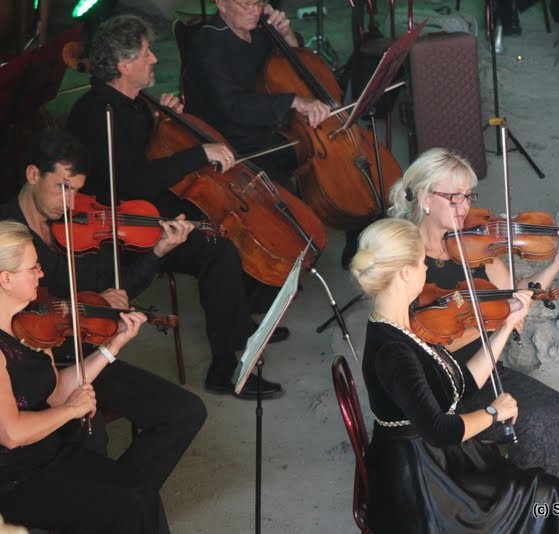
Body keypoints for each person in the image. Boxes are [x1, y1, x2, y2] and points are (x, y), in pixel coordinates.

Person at [65, 14, 285, 399]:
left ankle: (238, 321)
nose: (154, 59)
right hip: (122, 230)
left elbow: (141, 153)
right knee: (215, 249)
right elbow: (133, 181)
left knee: (220, 224)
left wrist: (159, 119)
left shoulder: (128, 103)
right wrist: (198, 153)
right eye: (146, 53)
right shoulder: (98, 113)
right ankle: (224, 366)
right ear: (123, 65)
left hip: (148, 210)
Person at [387, 148, 559, 534]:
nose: (464, 206)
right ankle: (532, 521)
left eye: (468, 195)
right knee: (538, 424)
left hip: (487, 368)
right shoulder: (401, 254)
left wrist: (558, 262)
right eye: (453, 196)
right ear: (423, 197)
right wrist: (483, 323)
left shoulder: (474, 248)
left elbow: (516, 296)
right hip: (440, 387)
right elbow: (403, 337)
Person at [0, 127, 206, 489]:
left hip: (90, 356)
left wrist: (157, 252)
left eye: (77, 190)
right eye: (63, 187)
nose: (70, 201)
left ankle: (123, 500)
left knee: (185, 412)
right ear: (33, 175)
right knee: (88, 437)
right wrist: (84, 305)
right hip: (31, 378)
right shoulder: (5, 237)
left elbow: (118, 290)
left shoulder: (81, 225)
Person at [351, 218, 559, 533]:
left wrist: (505, 324)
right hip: (422, 484)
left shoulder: (397, 327)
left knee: (540, 490)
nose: (426, 269)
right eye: (421, 263)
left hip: (433, 462)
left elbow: (460, 380)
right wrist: (492, 412)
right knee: (548, 494)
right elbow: (440, 429)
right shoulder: (394, 352)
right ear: (405, 273)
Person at [0, 220, 170, 532]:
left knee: (143, 493)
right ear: (6, 279)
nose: (42, 273)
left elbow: (54, 392)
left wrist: (113, 345)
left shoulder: (30, 321)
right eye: (33, 267)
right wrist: (71, 411)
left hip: (51, 453)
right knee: (129, 505)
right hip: (16, 478)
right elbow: (11, 434)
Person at [183, 0, 331, 176]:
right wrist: (293, 101)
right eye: (247, 5)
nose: (255, 11)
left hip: (272, 125)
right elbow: (233, 105)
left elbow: (294, 67)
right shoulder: (207, 46)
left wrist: (287, 35)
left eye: (259, 2)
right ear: (221, 4)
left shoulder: (261, 27)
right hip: (235, 140)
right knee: (310, 156)